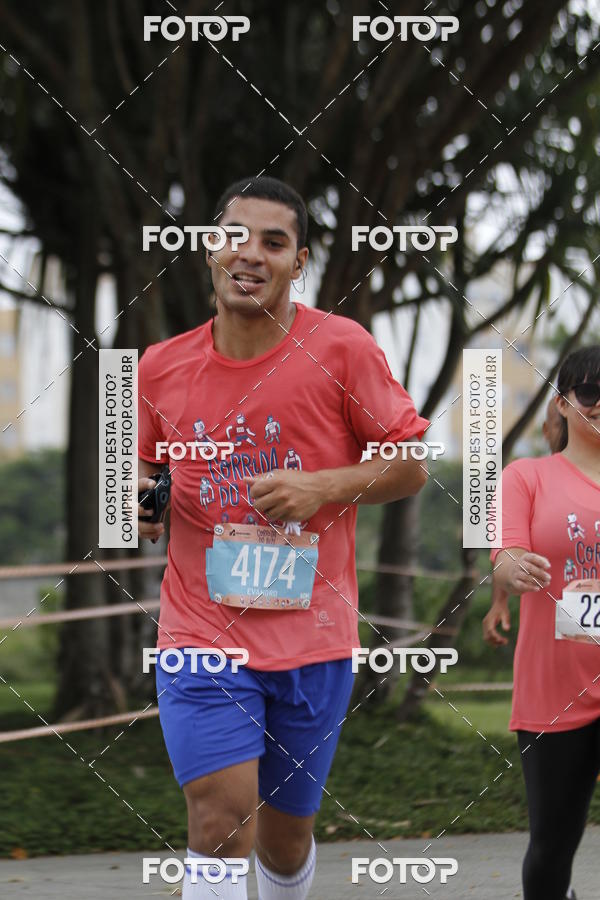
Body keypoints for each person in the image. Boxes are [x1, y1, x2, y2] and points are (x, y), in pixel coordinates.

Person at [137, 176, 430, 900]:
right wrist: (140, 505)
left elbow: (410, 463)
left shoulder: (343, 348)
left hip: (314, 639)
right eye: (235, 236)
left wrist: (321, 486)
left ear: (299, 263)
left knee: (285, 836)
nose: (251, 255)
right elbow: (137, 473)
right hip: (201, 632)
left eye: (274, 243)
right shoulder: (159, 366)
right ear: (210, 248)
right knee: (220, 819)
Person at [486, 346, 600, 900]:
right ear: (563, 403)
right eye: (590, 392)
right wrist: (512, 568)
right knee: (552, 848)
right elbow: (505, 552)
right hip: (555, 690)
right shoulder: (526, 476)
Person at [483, 396, 564, 647]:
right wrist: (499, 601)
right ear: (546, 431)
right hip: (547, 638)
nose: (567, 432)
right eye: (560, 425)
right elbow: (508, 550)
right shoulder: (526, 480)